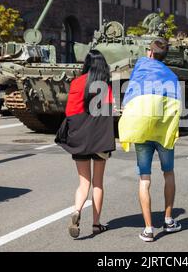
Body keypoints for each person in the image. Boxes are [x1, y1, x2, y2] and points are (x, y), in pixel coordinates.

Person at [119, 38, 182, 242]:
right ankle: (168, 220)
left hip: (142, 128)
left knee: (144, 179)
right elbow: (177, 103)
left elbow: (130, 93)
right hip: (163, 130)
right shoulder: (171, 76)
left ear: (150, 53)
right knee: (168, 173)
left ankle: (148, 229)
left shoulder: (140, 67)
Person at [56, 50, 115, 239]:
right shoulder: (105, 86)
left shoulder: (77, 82)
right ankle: (96, 225)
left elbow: (70, 112)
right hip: (100, 140)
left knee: (84, 183)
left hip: (79, 138)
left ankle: (77, 210)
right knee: (98, 183)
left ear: (87, 64)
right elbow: (109, 114)